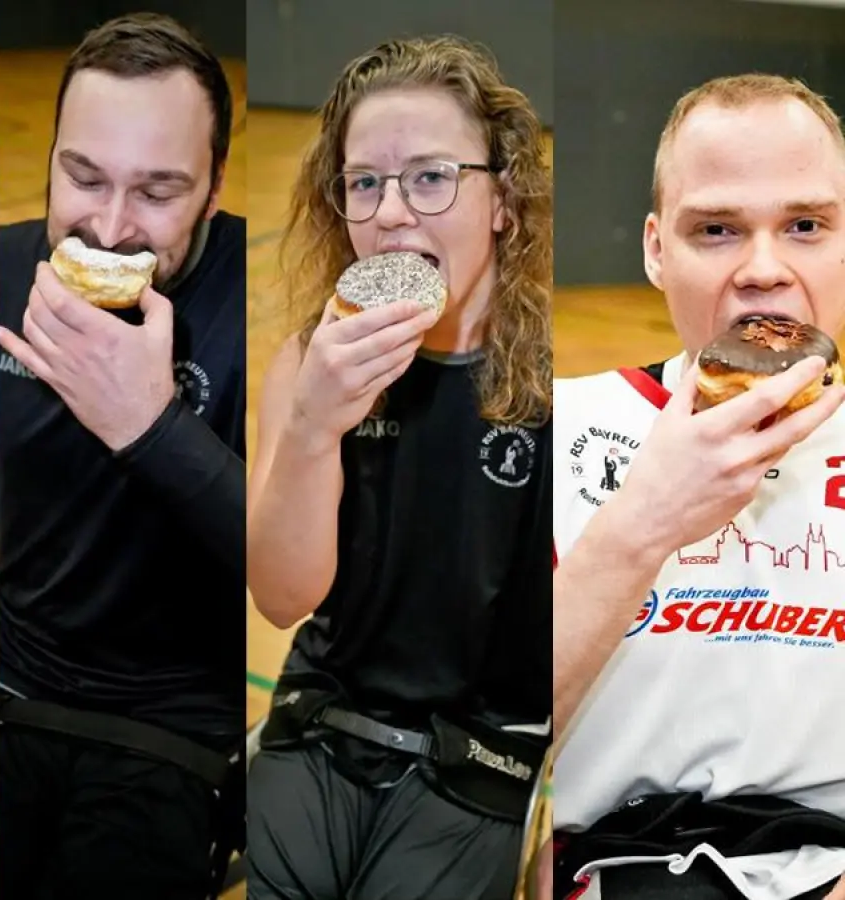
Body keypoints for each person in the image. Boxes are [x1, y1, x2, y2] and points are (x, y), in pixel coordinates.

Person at [243, 36, 554, 900]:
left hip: (485, 748)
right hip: (325, 716)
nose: (390, 213)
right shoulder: (308, 360)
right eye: (364, 183)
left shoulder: (557, 387)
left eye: (430, 178)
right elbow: (281, 598)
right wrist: (312, 424)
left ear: (503, 201)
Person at [552, 74, 845, 900]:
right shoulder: (556, 430)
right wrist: (640, 525)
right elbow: (481, 737)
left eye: (806, 225)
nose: (764, 270)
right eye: (717, 229)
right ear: (655, 249)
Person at [0, 13, 247, 897]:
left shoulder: (261, 297)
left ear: (214, 187)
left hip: (170, 721)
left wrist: (152, 425)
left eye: (157, 191)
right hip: (12, 698)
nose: (106, 227)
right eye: (83, 176)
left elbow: (295, 575)